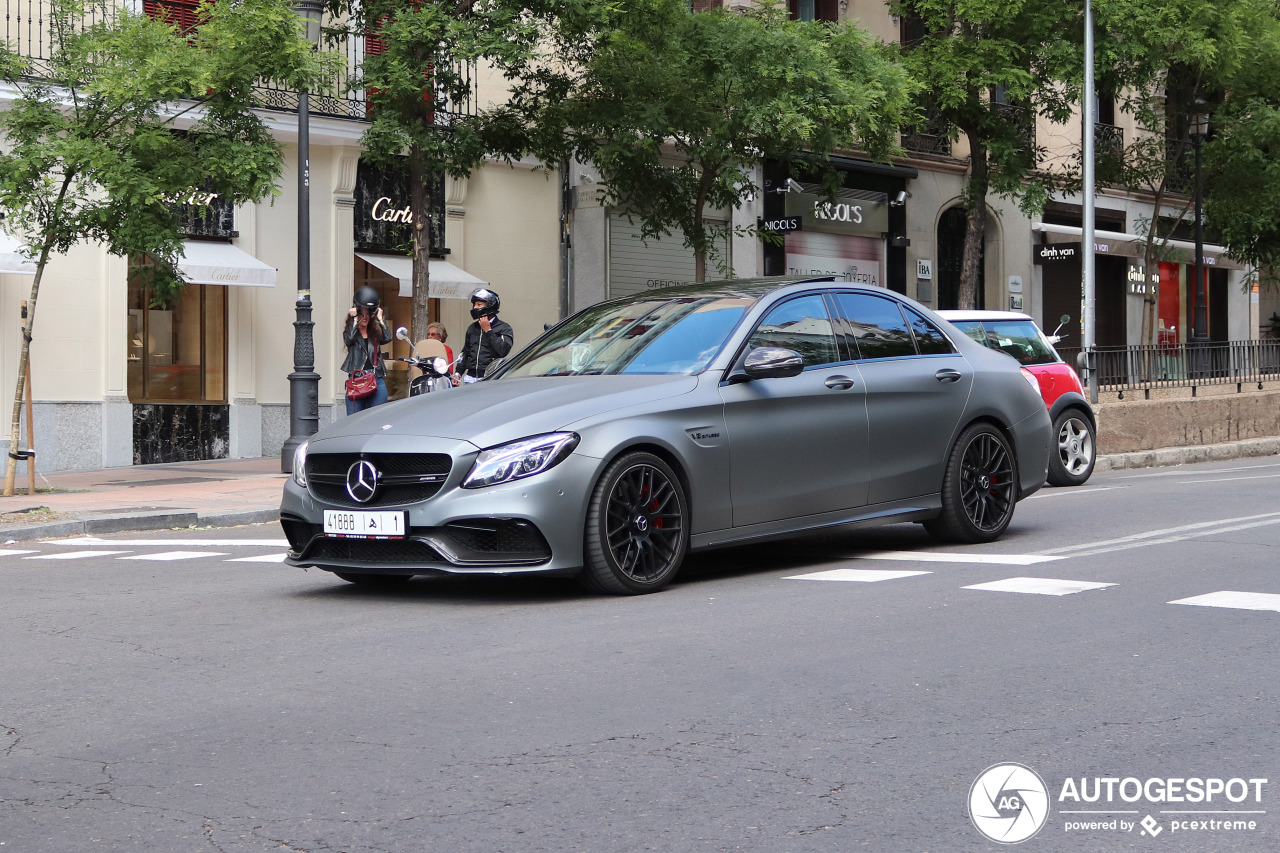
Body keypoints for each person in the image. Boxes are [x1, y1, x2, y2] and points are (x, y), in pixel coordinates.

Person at [341, 285, 393, 414]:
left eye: (367, 314)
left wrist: (380, 319)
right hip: (357, 379)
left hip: (376, 379)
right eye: (361, 314)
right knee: (353, 420)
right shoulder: (350, 333)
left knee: (376, 418)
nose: (364, 317)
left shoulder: (375, 333)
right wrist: (353, 318)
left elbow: (388, 338)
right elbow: (349, 340)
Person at [454, 287, 514, 385]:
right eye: (474, 304)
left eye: (479, 304)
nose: (475, 307)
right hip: (470, 378)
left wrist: (488, 330)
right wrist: (458, 373)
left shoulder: (504, 328)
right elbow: (466, 352)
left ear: (490, 305)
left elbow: (503, 350)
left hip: (491, 378)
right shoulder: (472, 328)